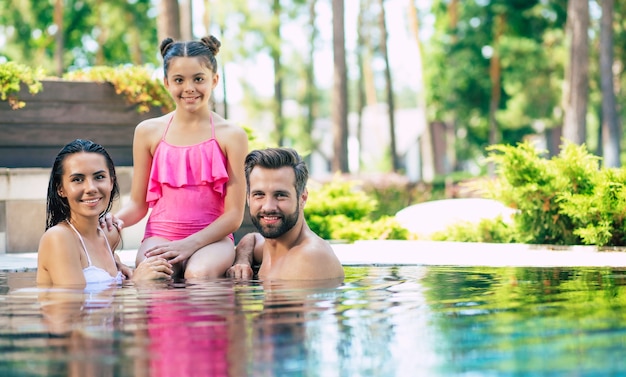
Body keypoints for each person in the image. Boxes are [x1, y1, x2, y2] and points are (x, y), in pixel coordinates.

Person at [112, 35, 248, 279]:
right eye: (179, 80)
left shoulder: (232, 136)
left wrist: (189, 244)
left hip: (212, 240)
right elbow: (137, 205)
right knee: (154, 276)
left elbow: (234, 216)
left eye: (198, 79)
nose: (189, 88)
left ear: (214, 80)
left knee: (198, 273)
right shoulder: (147, 132)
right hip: (160, 236)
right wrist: (107, 222)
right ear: (166, 82)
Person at [36, 139, 173, 288]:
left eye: (99, 177)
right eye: (77, 179)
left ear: (111, 182)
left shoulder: (109, 235)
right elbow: (73, 303)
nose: (91, 188)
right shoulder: (59, 238)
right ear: (60, 189)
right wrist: (136, 281)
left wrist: (127, 279)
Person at [226, 148, 344, 280]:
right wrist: (242, 261)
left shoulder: (310, 258)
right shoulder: (271, 247)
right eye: (259, 194)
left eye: (281, 195)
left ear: (302, 198)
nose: (268, 207)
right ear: (248, 198)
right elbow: (252, 239)